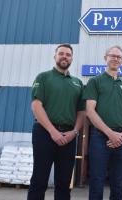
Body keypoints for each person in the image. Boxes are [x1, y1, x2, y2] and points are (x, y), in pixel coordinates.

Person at [28, 44, 85, 200]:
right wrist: (52, 131)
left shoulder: (78, 83)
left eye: (68, 54)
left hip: (69, 136)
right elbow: (36, 105)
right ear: (55, 56)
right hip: (44, 133)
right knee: (39, 178)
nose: (64, 56)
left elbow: (81, 112)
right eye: (61, 53)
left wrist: (74, 132)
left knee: (64, 182)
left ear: (72, 58)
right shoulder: (43, 77)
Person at [83, 45, 122, 200]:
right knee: (97, 181)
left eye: (119, 57)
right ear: (105, 58)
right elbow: (90, 111)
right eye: (112, 55)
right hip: (100, 137)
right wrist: (109, 133)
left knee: (118, 183)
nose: (115, 59)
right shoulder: (95, 81)